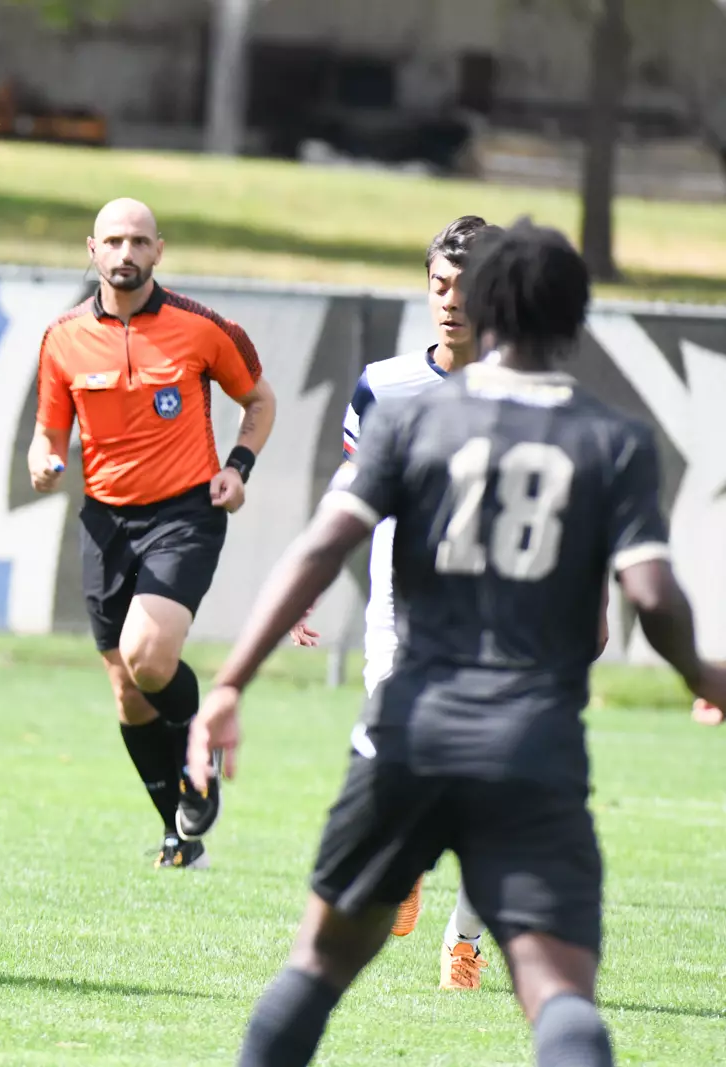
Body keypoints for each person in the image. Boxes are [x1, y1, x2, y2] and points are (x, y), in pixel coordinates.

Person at [187, 219, 726, 1067]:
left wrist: (228, 682)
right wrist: (707, 674)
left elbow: (323, 545)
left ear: (489, 304)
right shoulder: (611, 440)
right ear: (573, 319)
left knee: (318, 965)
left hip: (409, 728)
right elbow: (651, 597)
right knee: (558, 994)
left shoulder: (419, 422)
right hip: (532, 742)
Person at [28, 197, 276, 870]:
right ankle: (178, 831)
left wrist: (237, 467)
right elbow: (49, 431)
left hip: (184, 515)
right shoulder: (62, 337)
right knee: (127, 688)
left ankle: (199, 752)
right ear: (92, 249)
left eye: (139, 240)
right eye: (113, 241)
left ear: (159, 250)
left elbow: (259, 399)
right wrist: (43, 461)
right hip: (105, 520)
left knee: (148, 654)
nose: (125, 253)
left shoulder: (202, 328)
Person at [295, 215, 506, 987]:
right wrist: (312, 585)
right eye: (439, 284)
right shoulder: (384, 385)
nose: (450, 301)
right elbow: (350, 495)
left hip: (498, 626)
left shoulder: (529, 393)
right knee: (391, 763)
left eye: (468, 287)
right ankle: (406, 865)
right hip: (401, 615)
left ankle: (465, 940)